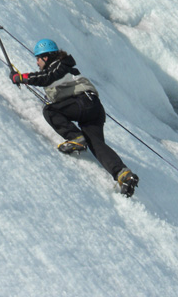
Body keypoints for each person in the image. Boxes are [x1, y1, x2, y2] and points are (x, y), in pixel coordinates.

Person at [11, 38, 139, 197]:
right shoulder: (61, 69)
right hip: (93, 108)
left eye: (38, 58)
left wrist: (22, 78)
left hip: (83, 102)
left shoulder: (60, 65)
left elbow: (47, 77)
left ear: (46, 57)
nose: (37, 62)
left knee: (50, 111)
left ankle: (76, 137)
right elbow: (48, 79)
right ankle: (123, 174)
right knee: (96, 144)